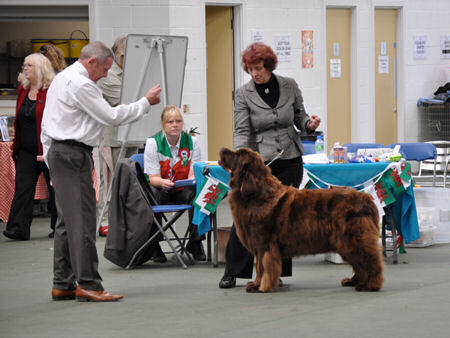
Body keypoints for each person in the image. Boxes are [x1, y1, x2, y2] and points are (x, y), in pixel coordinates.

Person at [41, 41, 161, 302]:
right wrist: (145, 103)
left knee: (66, 223)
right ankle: (89, 285)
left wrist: (51, 162)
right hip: (73, 156)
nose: (106, 74)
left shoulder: (62, 79)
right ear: (91, 61)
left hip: (61, 154)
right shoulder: (82, 84)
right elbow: (111, 117)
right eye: (105, 68)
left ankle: (62, 283)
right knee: (83, 222)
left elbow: (46, 124)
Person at [218, 42, 321, 289]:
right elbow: (242, 131)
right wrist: (238, 164)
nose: (255, 73)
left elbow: (300, 117)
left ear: (269, 65)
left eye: (258, 68)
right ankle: (233, 271)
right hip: (259, 167)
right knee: (245, 218)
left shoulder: (289, 85)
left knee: (283, 219)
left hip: (290, 159)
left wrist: (310, 124)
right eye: (250, 69)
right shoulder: (244, 94)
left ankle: (276, 273)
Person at [3, 53, 56, 241]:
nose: (25, 68)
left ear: (41, 69)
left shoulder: (50, 91)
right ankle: (17, 228)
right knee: (23, 189)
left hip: (48, 149)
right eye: (24, 65)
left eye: (29, 65)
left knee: (55, 189)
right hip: (25, 150)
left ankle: (59, 227)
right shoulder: (22, 90)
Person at [143, 105, 206, 262]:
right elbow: (152, 178)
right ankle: (154, 245)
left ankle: (195, 241)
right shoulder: (153, 143)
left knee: (201, 194)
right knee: (150, 194)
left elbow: (194, 173)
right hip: (160, 187)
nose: (175, 125)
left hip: (182, 188)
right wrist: (162, 182)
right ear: (163, 124)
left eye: (178, 121)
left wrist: (192, 179)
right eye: (170, 122)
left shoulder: (192, 142)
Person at [96, 36, 137, 237]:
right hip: (111, 139)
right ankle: (104, 220)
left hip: (131, 136)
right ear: (120, 55)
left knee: (128, 180)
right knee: (110, 180)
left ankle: (124, 219)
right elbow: (125, 102)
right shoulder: (109, 76)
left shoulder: (131, 74)